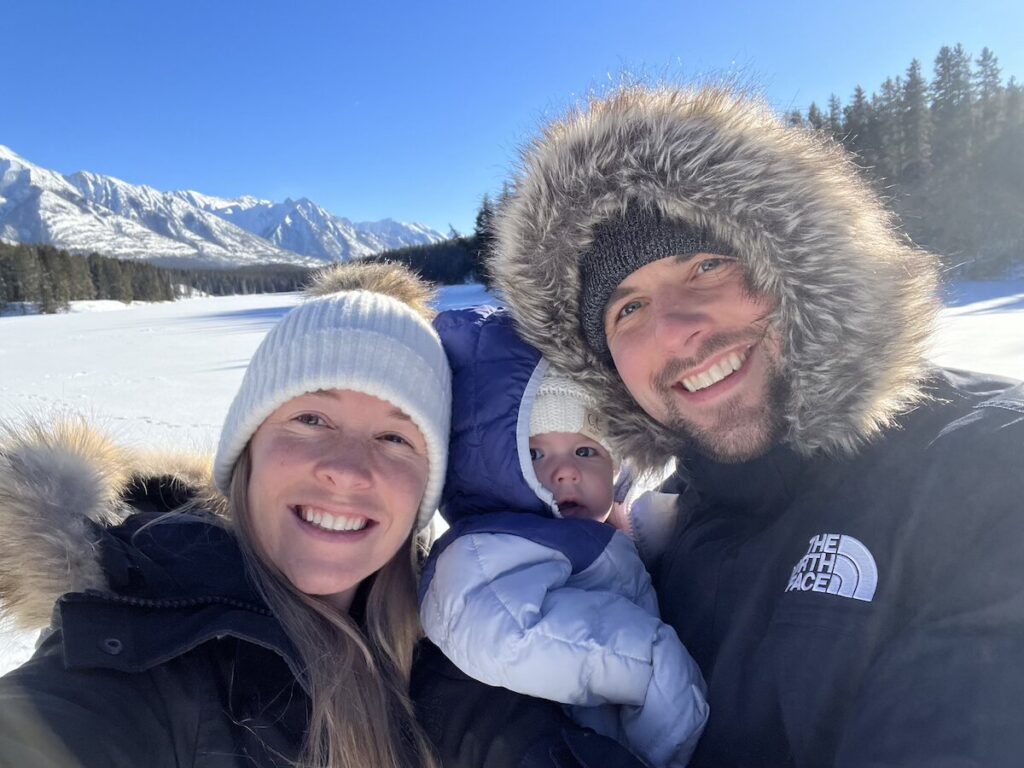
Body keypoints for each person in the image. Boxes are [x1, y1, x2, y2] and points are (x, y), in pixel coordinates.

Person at [482, 85, 1024, 767]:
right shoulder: (659, 536)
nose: (677, 330)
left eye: (707, 266)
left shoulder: (990, 468)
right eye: (627, 310)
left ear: (801, 269)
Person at [0, 262, 454, 768]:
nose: (346, 471)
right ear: (247, 449)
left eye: (395, 437)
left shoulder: (467, 642)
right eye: (311, 419)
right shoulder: (137, 637)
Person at [419, 305, 707, 768]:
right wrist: (650, 661)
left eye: (586, 449)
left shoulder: (603, 532)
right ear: (489, 462)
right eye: (534, 452)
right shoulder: (483, 549)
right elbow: (504, 630)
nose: (566, 470)